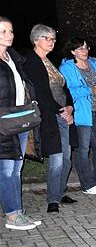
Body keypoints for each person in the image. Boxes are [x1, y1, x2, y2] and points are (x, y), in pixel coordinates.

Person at [23, 24, 77, 213]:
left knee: (67, 159)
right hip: (50, 117)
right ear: (36, 39)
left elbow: (64, 87)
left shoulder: (49, 61)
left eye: (54, 39)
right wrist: (62, 111)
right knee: (57, 159)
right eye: (48, 38)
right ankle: (52, 200)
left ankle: (60, 192)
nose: (52, 42)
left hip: (63, 114)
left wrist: (70, 106)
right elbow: (41, 93)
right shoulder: (31, 62)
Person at [0, 16, 42, 230]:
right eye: (4, 31)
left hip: (20, 117)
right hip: (3, 122)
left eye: (11, 31)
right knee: (6, 169)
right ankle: (12, 216)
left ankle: (17, 210)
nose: (10, 35)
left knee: (17, 168)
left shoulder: (13, 58)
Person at [59, 37, 96, 195]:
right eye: (81, 48)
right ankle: (87, 184)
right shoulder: (66, 68)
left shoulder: (94, 62)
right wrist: (90, 91)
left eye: (86, 47)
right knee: (83, 149)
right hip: (81, 112)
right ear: (72, 51)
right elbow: (68, 91)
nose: (85, 51)